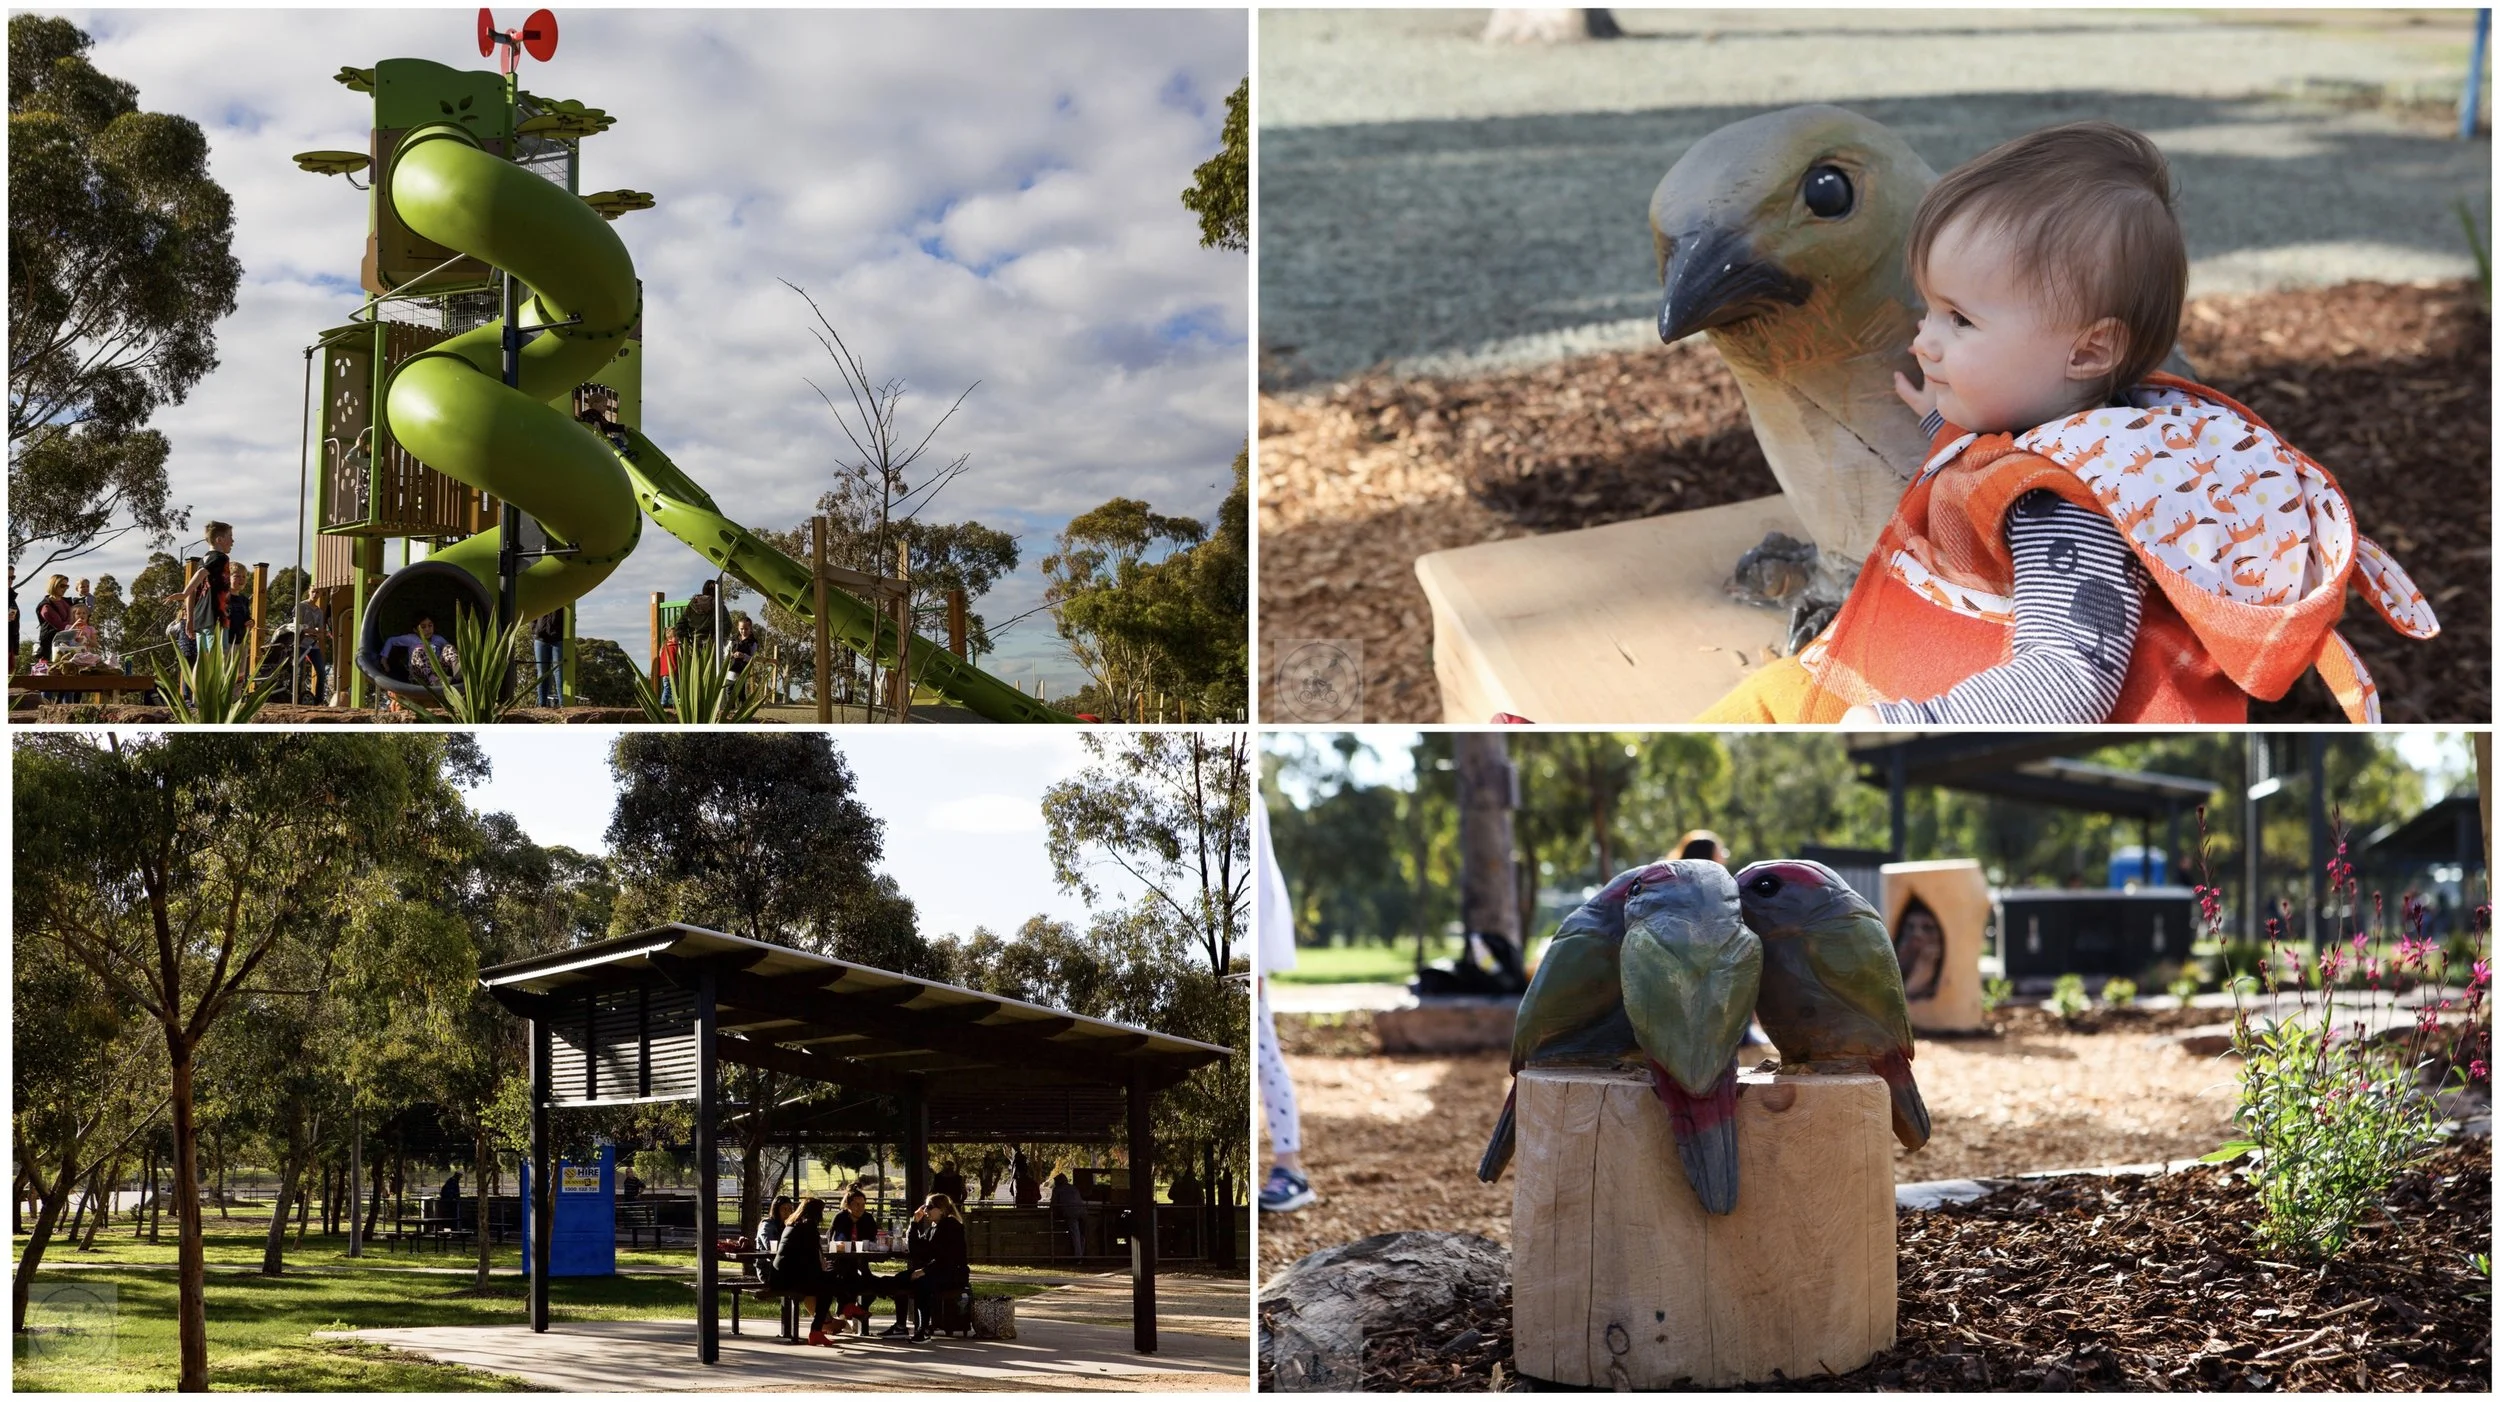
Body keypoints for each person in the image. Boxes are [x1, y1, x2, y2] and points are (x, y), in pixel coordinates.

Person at [1700, 122, 2435, 725]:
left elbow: (2067, 681)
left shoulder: (2064, 511)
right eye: (1928, 309)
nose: (1924, 340)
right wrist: (1936, 419)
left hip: (1942, 700)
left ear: (2088, 349)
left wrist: (1905, 726)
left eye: (1959, 319)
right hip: (1935, 675)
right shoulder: (2088, 433)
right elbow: (1988, 463)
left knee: (1758, 712)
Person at [1256, 802, 1317, 1213]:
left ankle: (1289, 1167)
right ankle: (1287, 1167)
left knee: (1264, 1057)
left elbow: (1262, 883)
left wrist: (1257, 957)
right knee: (1263, 1057)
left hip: (1249, 955)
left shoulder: (1248, 797)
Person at [774, 1196, 841, 1346]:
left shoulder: (792, 1224)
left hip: (781, 1274)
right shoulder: (808, 1226)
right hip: (791, 1278)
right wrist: (824, 1272)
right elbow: (811, 1259)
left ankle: (823, 1325)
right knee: (829, 1285)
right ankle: (817, 1328)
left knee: (827, 1282)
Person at [164, 521, 235, 662]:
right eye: (230, 536)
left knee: (204, 661)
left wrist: (191, 619)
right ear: (219, 540)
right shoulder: (220, 558)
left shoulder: (204, 559)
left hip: (201, 619)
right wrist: (184, 592)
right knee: (218, 659)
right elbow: (201, 574)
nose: (233, 541)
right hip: (217, 617)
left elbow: (195, 587)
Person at [903, 1194, 969, 1342]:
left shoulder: (951, 1226)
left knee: (922, 1284)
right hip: (938, 1271)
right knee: (902, 1279)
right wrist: (914, 1223)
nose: (926, 1210)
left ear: (942, 1209)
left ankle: (923, 1328)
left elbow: (947, 1259)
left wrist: (923, 1271)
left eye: (930, 1207)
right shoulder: (933, 1228)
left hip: (953, 1274)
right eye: (925, 1206)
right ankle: (900, 1326)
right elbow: (917, 1249)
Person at [381, 614, 458, 688]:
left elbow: (449, 651)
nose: (427, 629)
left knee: (448, 647)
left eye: (430, 626)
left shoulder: (438, 639)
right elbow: (391, 640)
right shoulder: (411, 639)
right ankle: (434, 680)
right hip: (420, 676)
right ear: (415, 630)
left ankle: (457, 669)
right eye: (423, 627)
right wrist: (384, 659)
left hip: (438, 671)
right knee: (419, 651)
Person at [293, 595, 330, 703]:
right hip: (300, 644)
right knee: (299, 672)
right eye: (313, 591)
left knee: (321, 672)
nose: (315, 594)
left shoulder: (319, 611)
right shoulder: (301, 606)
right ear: (309, 592)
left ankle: (318, 700)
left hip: (313, 645)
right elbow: (297, 627)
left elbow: (321, 634)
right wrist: (314, 631)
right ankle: (296, 698)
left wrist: (312, 632)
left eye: (317, 592)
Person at [1048, 1173, 1088, 1260]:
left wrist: (1053, 1212)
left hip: (1071, 1213)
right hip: (1082, 1212)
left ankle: (1078, 1257)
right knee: (1082, 1234)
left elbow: (1053, 1204)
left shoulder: (1057, 1189)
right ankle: (1083, 1255)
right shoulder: (1073, 1188)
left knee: (1075, 1234)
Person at [532, 608, 566, 707]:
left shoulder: (564, 597)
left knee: (559, 671)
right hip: (541, 639)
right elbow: (532, 614)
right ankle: (542, 704)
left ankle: (563, 704)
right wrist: (535, 630)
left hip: (559, 639)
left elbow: (572, 617)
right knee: (542, 673)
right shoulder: (542, 598)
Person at [34, 575, 72, 661]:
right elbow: (60, 626)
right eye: (62, 586)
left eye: (67, 586)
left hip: (66, 644)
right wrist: (74, 624)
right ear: (54, 585)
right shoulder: (46, 607)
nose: (65, 588)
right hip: (50, 648)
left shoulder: (66, 601)